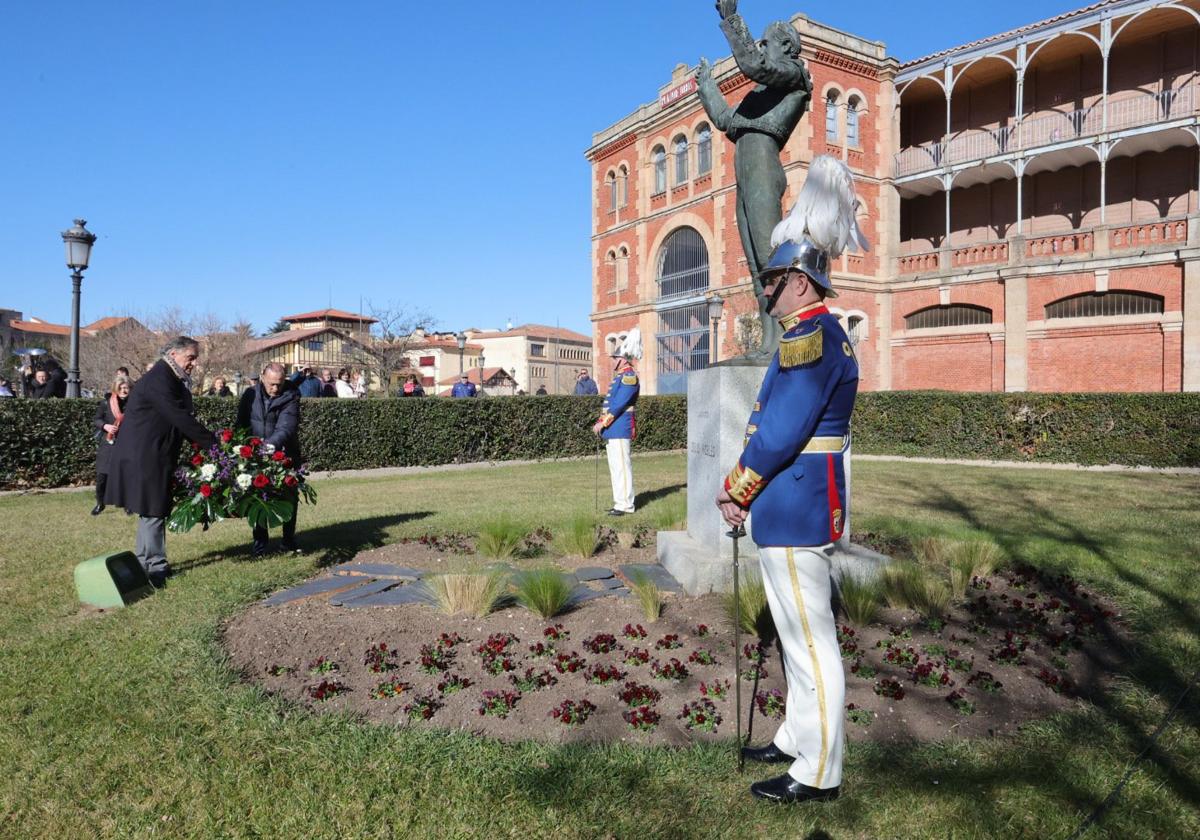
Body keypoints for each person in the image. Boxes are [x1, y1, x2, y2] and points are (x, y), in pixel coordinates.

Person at [715, 154, 868, 805]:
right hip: (798, 503)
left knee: (810, 644)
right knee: (798, 637)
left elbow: (779, 432)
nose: (766, 289)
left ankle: (819, 771)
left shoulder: (810, 339)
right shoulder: (812, 334)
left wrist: (737, 487)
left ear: (801, 283)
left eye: (775, 279)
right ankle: (796, 738)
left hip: (796, 506)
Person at [696, 0, 812, 355]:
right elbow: (728, 122)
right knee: (754, 263)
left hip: (762, 162)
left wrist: (732, 19)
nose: (761, 47)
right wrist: (707, 86)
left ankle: (787, 336)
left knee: (769, 256)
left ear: (787, 47)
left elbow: (754, 65)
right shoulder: (761, 94)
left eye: (767, 42)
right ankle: (769, 341)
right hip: (744, 166)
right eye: (760, 42)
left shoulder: (793, 74)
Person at [104, 337, 217, 586]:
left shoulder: (167, 376)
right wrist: (214, 445)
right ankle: (156, 568)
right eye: (191, 358)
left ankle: (144, 562)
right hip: (145, 455)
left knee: (150, 510)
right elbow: (179, 417)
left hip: (149, 453)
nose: (194, 364)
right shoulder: (160, 378)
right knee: (153, 508)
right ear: (174, 354)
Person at [236, 362, 302, 556]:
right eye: (272, 383)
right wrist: (241, 445)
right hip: (255, 455)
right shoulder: (250, 395)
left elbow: (287, 426)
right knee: (258, 497)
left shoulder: (292, 395)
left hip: (284, 453)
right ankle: (260, 543)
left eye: (279, 384)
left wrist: (270, 445)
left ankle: (288, 540)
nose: (275, 388)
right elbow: (241, 423)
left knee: (289, 497)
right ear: (262, 378)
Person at [592, 328, 641, 516]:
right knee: (616, 468)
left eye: (614, 358)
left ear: (621, 359)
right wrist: (602, 422)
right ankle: (619, 502)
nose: (612, 360)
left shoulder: (628, 376)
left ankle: (626, 505)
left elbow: (619, 405)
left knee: (622, 467)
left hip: (620, 428)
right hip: (614, 429)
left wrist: (602, 423)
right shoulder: (621, 377)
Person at [91, 374, 131, 515]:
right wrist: (105, 426)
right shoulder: (106, 403)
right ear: (115, 388)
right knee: (102, 476)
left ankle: (128, 504)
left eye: (126, 388)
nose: (124, 391)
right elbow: (96, 419)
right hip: (108, 444)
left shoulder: (134, 404)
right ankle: (100, 503)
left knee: (126, 475)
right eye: (121, 388)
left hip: (126, 444)